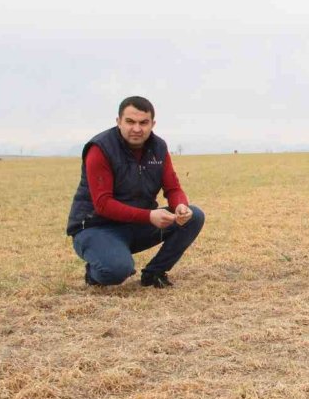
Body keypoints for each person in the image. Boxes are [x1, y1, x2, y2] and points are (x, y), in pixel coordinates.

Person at [66, 96, 205, 288]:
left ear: (152, 124)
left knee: (194, 216)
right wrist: (149, 216)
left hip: (137, 224)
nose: (137, 129)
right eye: (130, 121)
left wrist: (180, 205)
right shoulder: (100, 149)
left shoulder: (158, 147)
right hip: (96, 227)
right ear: (119, 121)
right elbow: (103, 204)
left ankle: (154, 273)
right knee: (116, 270)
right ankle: (95, 271)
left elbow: (173, 188)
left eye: (143, 123)